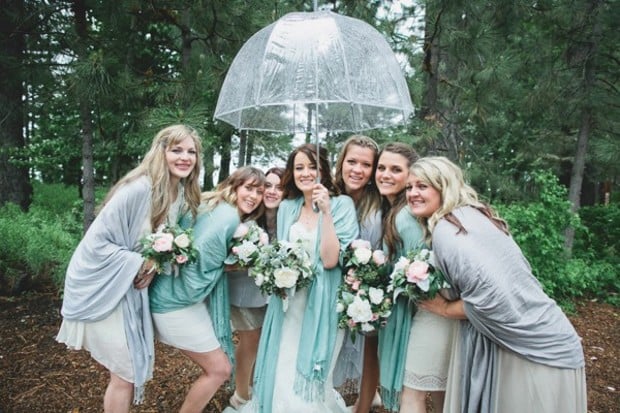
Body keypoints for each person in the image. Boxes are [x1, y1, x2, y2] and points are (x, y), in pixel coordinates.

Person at [410, 156, 587, 413]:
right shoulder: (473, 216)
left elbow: (492, 298)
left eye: (422, 186)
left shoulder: (447, 230)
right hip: (548, 337)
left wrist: (444, 309)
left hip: (531, 352)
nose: (412, 193)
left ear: (444, 186)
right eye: (410, 187)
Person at [56, 124, 203, 412]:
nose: (185, 157)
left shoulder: (179, 194)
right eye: (176, 150)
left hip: (127, 286)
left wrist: (153, 265)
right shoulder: (138, 189)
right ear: (161, 152)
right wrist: (141, 263)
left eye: (191, 152)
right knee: (124, 372)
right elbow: (97, 243)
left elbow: (156, 246)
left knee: (126, 372)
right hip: (103, 283)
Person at [240, 143, 359, 413]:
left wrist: (326, 212)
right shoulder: (287, 208)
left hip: (323, 304)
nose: (305, 173)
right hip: (289, 303)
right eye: (299, 167)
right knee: (283, 367)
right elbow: (281, 252)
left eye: (312, 166)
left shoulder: (342, 205)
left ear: (324, 171)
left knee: (314, 375)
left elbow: (330, 261)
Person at [149, 166, 266, 413]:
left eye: (260, 192)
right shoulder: (229, 218)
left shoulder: (212, 205)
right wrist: (229, 266)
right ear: (234, 186)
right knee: (219, 369)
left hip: (171, 295)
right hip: (174, 303)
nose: (254, 196)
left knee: (218, 366)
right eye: (249, 188)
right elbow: (197, 266)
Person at [376, 143, 454, 413]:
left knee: (415, 392)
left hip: (426, 312)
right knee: (442, 389)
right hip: (430, 313)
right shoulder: (399, 211)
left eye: (396, 170)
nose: (385, 174)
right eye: (382, 167)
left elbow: (417, 271)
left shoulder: (406, 216)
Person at [333, 135, 383, 413]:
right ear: (341, 163)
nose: (357, 169)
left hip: (370, 285)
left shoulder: (378, 203)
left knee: (369, 345)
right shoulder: (328, 195)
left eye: (366, 164)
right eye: (352, 161)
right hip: (333, 282)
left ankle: (364, 404)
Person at [228, 166, 284, 410]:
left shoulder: (285, 219)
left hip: (265, 295)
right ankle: (240, 393)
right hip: (241, 290)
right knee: (250, 340)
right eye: (267, 186)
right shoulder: (247, 217)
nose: (271, 192)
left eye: (278, 187)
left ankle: (250, 387)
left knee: (259, 341)